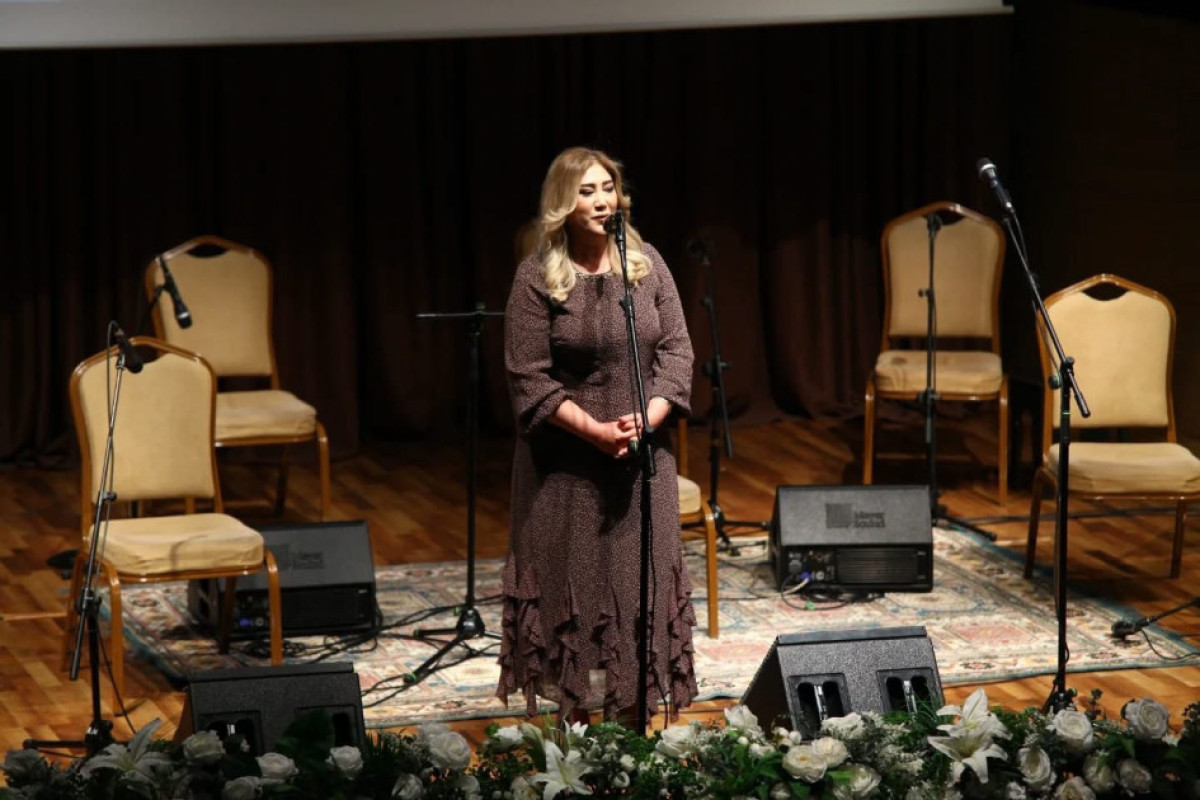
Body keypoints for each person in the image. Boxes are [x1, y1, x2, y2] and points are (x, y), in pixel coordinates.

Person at [497, 146, 698, 725]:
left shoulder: (646, 264)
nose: (602, 200)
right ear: (563, 202)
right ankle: (577, 738)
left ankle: (634, 735)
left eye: (607, 187)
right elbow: (527, 376)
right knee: (575, 602)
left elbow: (677, 352)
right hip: (566, 468)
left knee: (638, 598)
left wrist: (651, 416)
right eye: (587, 191)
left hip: (641, 458)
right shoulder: (536, 277)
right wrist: (593, 431)